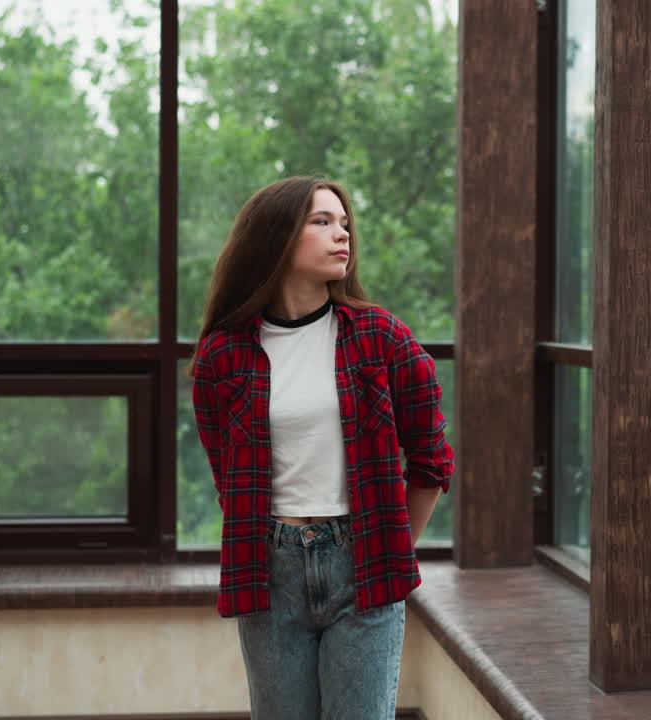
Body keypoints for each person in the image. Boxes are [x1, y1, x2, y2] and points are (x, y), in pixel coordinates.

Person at [190, 176, 454, 720]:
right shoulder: (223, 356)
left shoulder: (383, 338)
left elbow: (430, 463)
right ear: (278, 237)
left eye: (345, 223)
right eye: (322, 222)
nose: (343, 234)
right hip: (268, 569)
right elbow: (228, 480)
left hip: (365, 564)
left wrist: (385, 547)